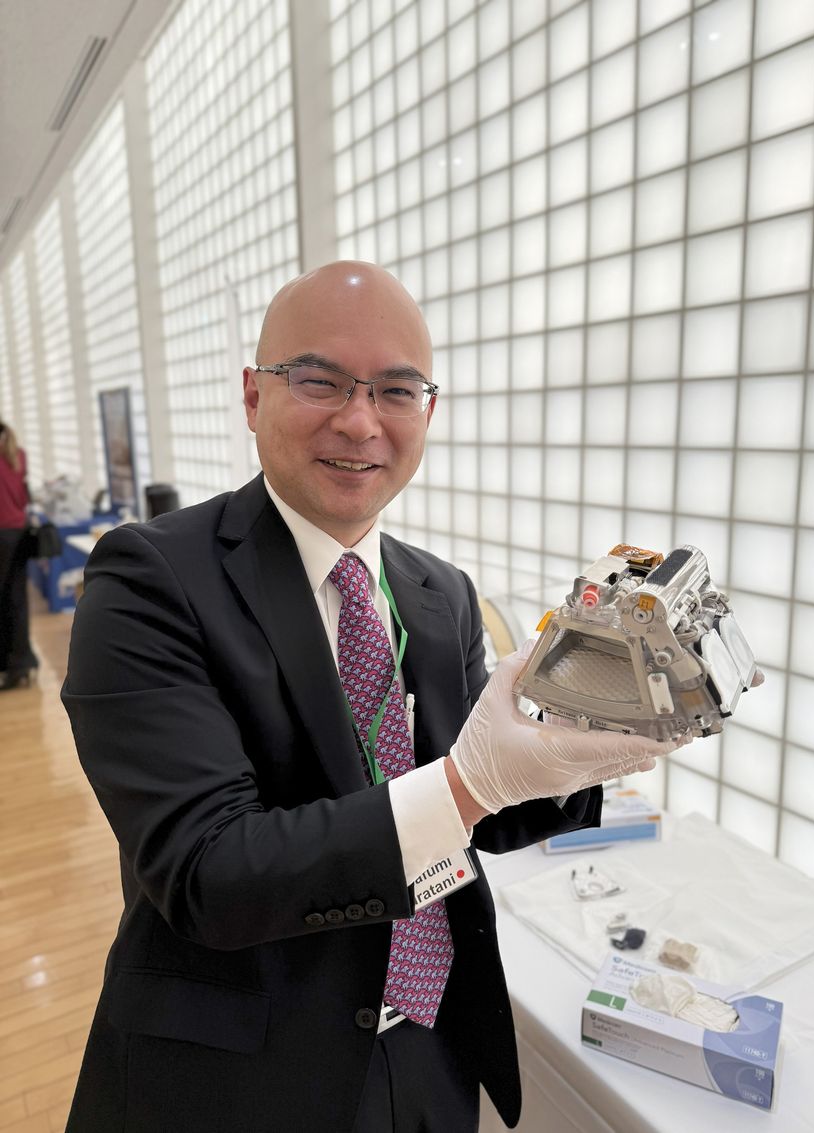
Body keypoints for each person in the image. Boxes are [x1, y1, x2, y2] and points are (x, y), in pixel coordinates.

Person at [61, 262, 682, 1132]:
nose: (359, 421)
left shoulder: (440, 592)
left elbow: (483, 817)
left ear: (428, 410)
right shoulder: (150, 577)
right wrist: (472, 779)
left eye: (396, 390)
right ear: (252, 394)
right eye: (319, 380)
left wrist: (582, 736)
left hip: (430, 1047)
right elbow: (207, 871)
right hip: (237, 1076)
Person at [0, 420, 38, 690]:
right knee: (18, 600)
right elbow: (24, 499)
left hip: (1, 534)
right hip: (19, 533)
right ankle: (23, 663)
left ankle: (8, 666)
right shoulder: (18, 455)